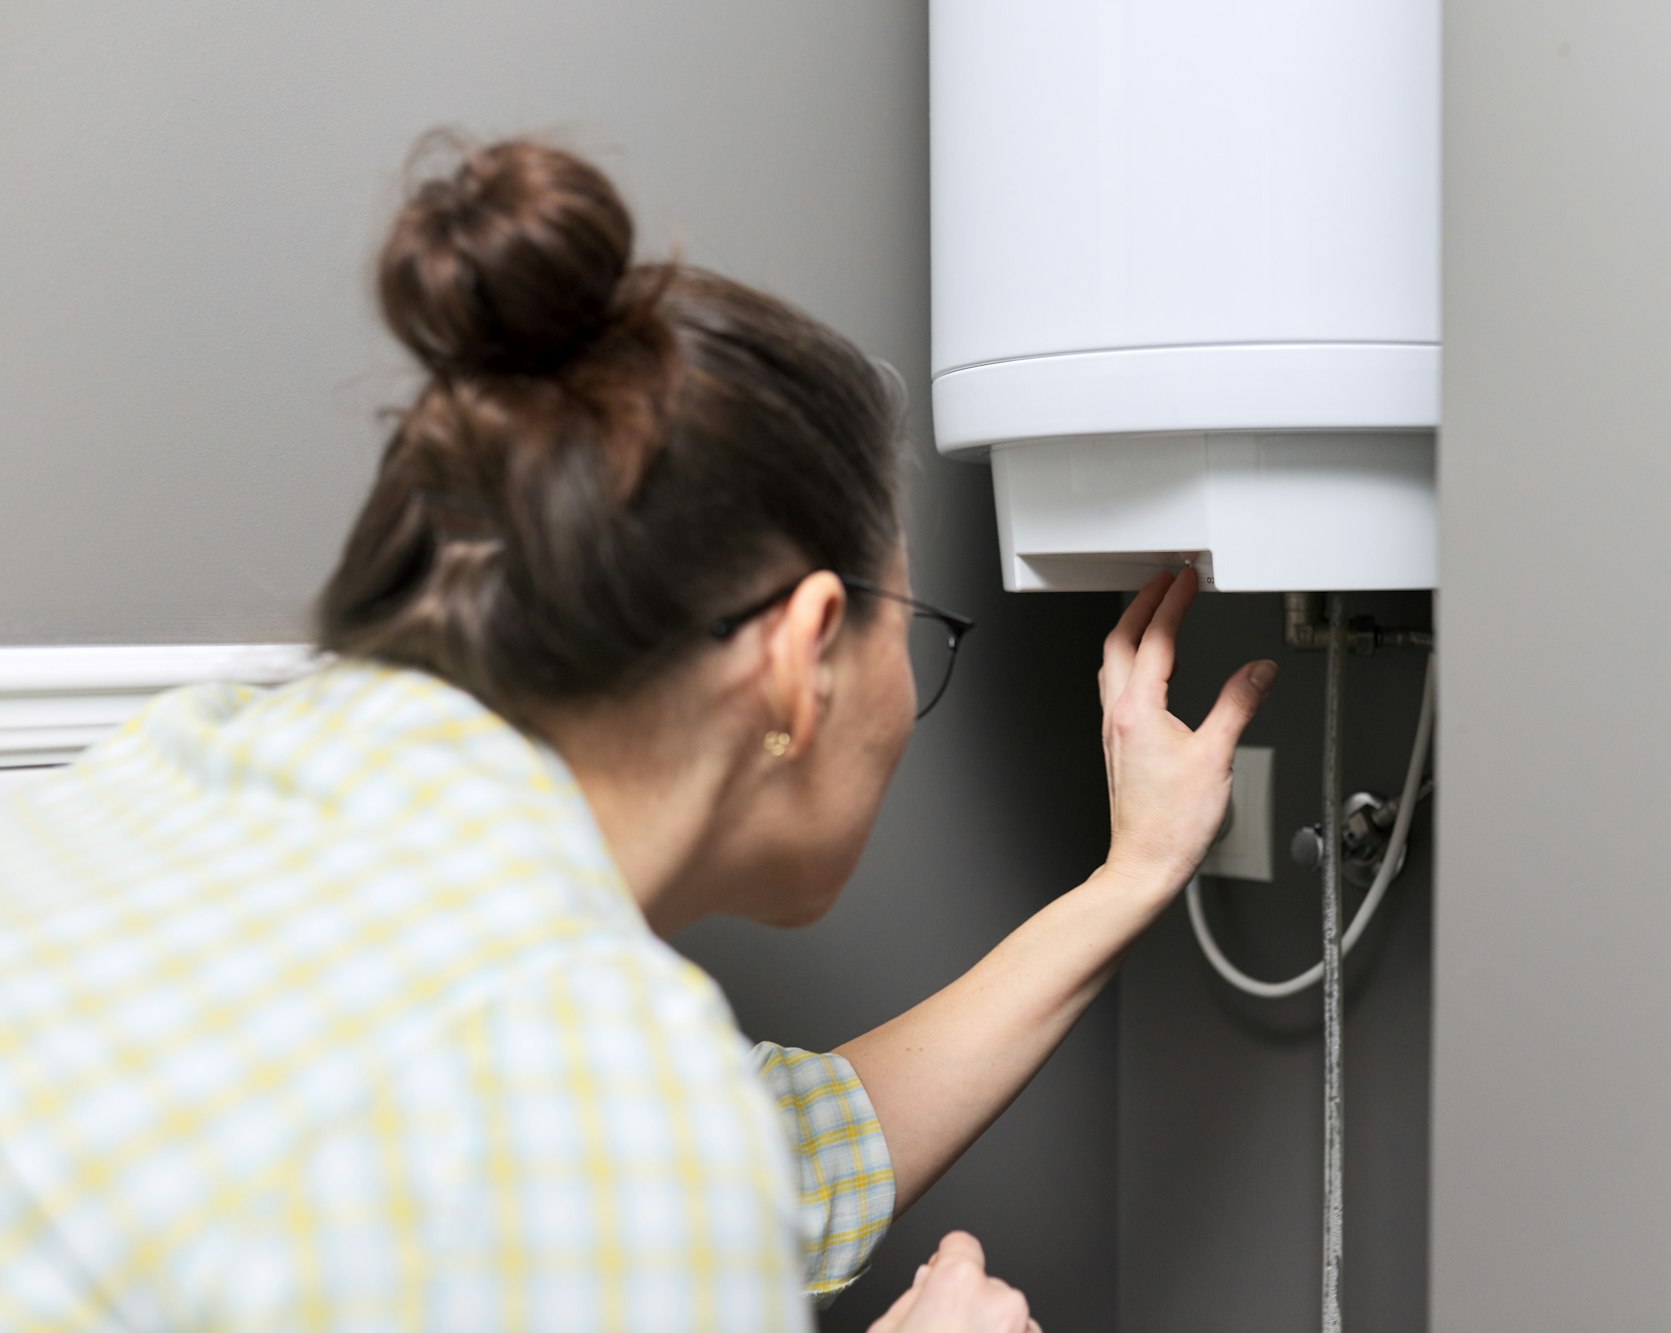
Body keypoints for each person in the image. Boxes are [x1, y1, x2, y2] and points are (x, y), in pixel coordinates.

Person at [0, 136, 1274, 1331]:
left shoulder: (187, 769)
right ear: (799, 655)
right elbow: (622, 1132)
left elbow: (769, 1150)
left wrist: (1136, 871)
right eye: (915, 624)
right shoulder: (595, 1082)